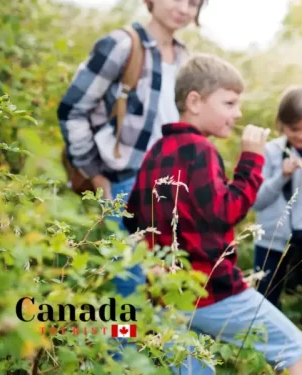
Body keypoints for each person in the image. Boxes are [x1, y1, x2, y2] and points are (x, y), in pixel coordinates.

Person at [122, 54, 302, 375]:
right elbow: (226, 212)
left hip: (168, 294)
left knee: (194, 369)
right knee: (292, 347)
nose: (237, 114)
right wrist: (251, 160)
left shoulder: (157, 150)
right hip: (213, 290)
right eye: (229, 103)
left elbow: (130, 218)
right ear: (195, 101)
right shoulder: (201, 150)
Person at [58, 0, 205, 297]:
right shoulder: (122, 45)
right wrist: (95, 175)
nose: (183, 8)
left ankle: (146, 345)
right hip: (126, 181)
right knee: (130, 285)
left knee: (165, 289)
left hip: (171, 187)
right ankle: (117, 344)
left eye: (193, 2)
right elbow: (72, 109)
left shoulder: (185, 58)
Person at [252, 85, 302, 310]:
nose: (301, 136)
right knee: (265, 303)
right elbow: (257, 201)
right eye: (294, 129)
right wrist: (281, 176)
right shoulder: (270, 151)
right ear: (281, 125)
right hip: (270, 244)